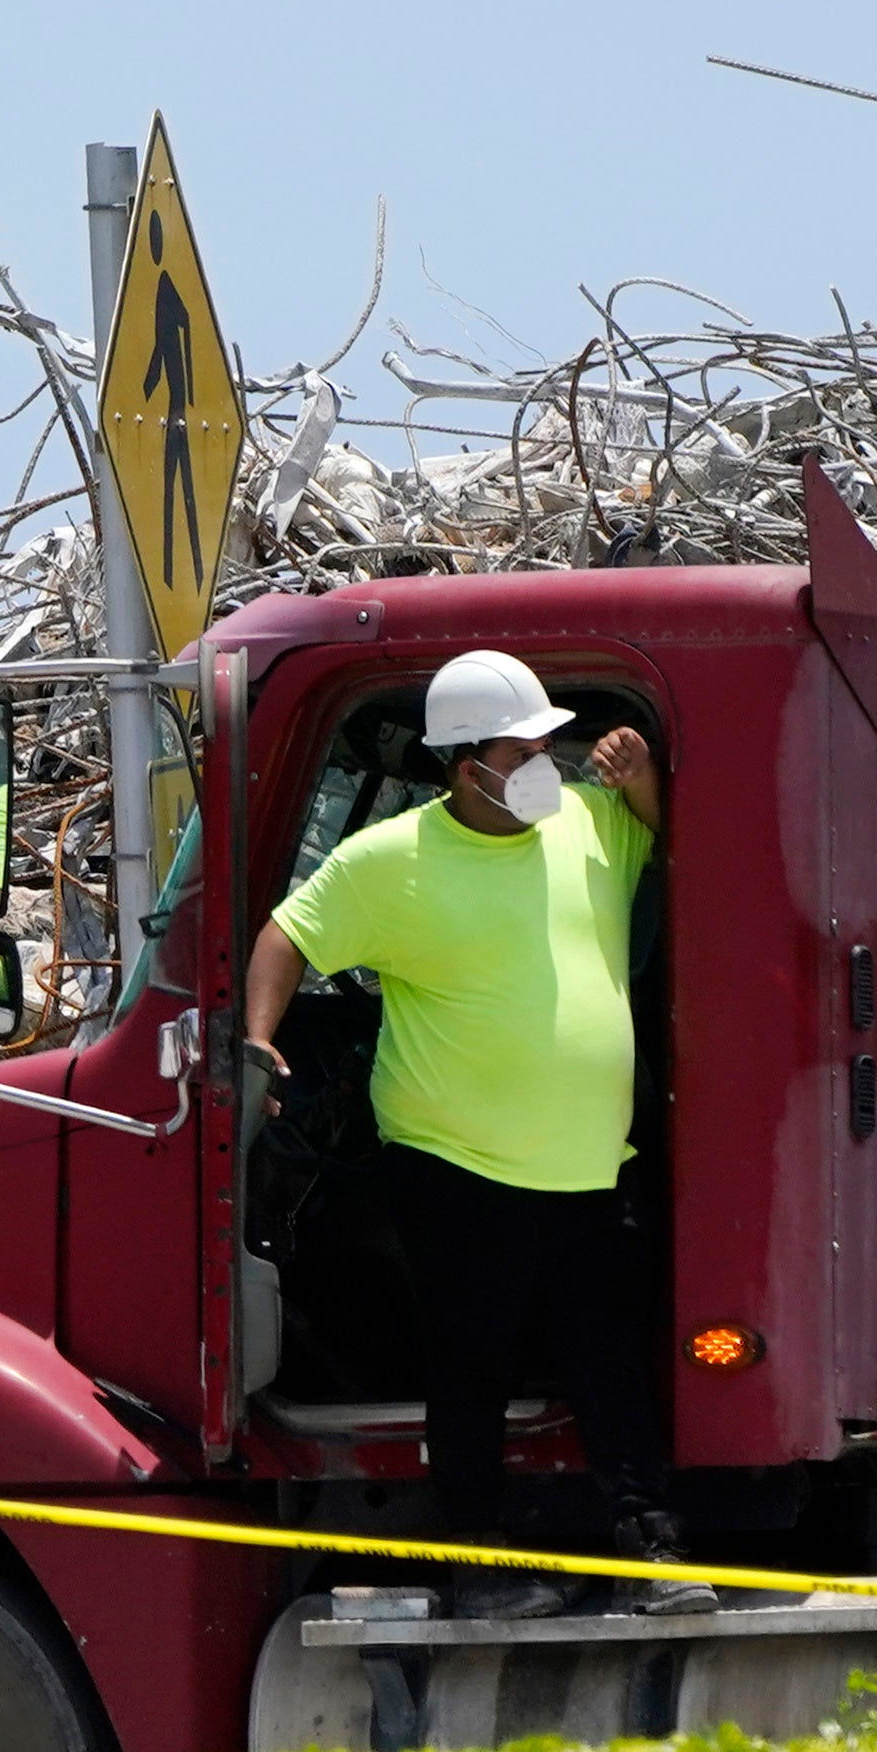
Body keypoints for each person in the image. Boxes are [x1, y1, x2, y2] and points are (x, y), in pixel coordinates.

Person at [241, 649, 703, 1619]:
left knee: (608, 1361)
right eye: (525, 746)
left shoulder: (588, 819)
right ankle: (479, 1566)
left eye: (548, 742)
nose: (548, 759)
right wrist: (256, 1044)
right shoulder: (391, 861)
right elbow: (287, 937)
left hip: (587, 1166)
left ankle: (654, 1547)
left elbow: (689, 849)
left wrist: (647, 782)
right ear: (467, 767)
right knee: (471, 1366)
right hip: (457, 1170)